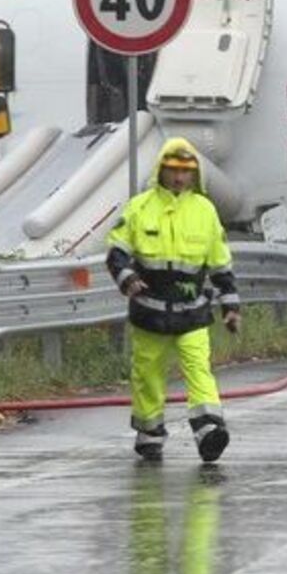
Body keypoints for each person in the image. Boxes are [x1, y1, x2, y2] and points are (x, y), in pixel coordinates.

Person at [106, 137, 241, 462]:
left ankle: (209, 429)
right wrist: (128, 279)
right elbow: (116, 253)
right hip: (149, 312)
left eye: (185, 171)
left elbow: (220, 264)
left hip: (192, 311)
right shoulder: (139, 208)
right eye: (173, 170)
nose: (179, 178)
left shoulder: (205, 211)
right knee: (147, 374)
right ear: (161, 170)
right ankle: (149, 432)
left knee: (198, 369)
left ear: (194, 174)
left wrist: (231, 307)